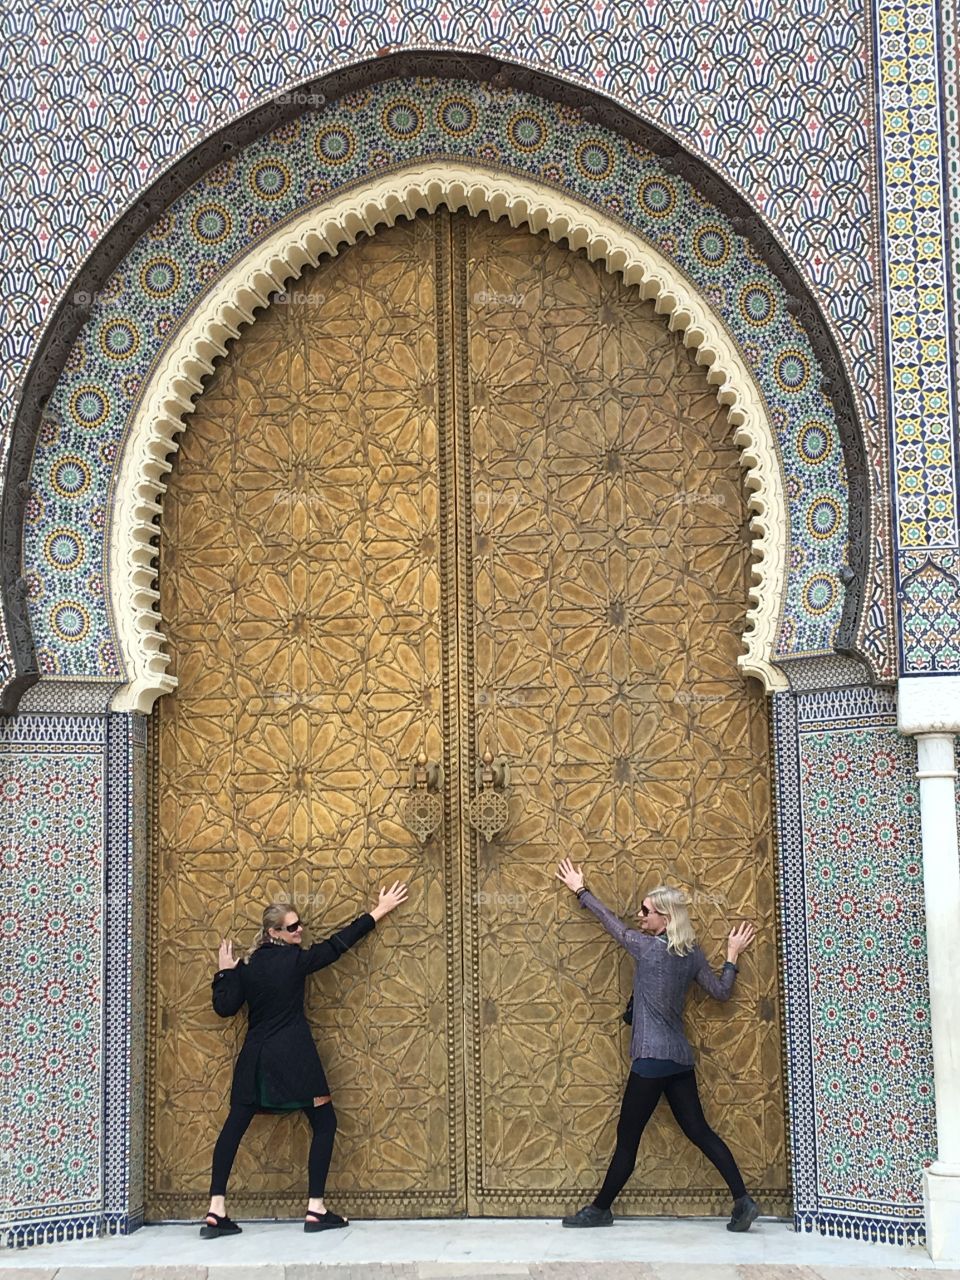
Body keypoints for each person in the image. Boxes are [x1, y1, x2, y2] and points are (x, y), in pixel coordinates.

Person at [554, 857, 759, 1232]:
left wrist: (580, 890)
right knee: (699, 1132)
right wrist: (731, 956)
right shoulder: (693, 953)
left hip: (649, 1062)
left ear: (665, 917)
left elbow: (609, 923)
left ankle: (600, 1210)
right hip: (679, 1061)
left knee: (627, 1141)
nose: (639, 915)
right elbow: (721, 992)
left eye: (646, 911)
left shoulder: (646, 948)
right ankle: (742, 1201)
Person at [201, 882, 408, 1238]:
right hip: (295, 1060)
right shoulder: (296, 961)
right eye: (293, 927)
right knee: (325, 1123)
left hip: (256, 1061)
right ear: (274, 932)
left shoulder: (247, 966)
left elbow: (224, 1007)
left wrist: (225, 972)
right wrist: (379, 911)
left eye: (300, 925)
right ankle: (316, 1208)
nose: (301, 931)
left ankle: (216, 1210)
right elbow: (338, 946)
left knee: (234, 1126)